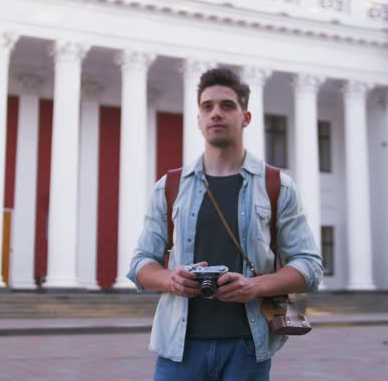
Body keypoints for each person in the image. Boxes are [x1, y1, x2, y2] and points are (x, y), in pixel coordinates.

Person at [127, 68, 323, 380]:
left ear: (246, 117)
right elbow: (141, 263)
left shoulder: (277, 186)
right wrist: (171, 280)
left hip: (247, 349)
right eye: (207, 107)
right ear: (198, 119)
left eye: (227, 105)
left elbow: (309, 266)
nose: (216, 113)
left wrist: (254, 286)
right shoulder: (170, 186)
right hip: (179, 348)